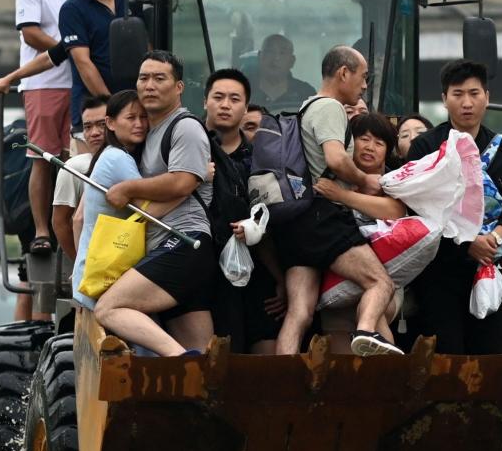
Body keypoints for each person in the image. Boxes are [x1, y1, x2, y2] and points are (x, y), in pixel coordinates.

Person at [271, 45, 399, 357]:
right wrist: (363, 180)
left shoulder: (305, 106)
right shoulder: (330, 107)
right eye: (363, 77)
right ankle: (367, 332)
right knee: (380, 283)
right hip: (323, 216)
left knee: (299, 313)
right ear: (344, 73)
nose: (365, 85)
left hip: (294, 220)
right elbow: (336, 159)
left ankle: (279, 377)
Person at [98, 51, 217, 357]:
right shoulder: (150, 133)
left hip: (183, 243)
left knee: (109, 308)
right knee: (203, 355)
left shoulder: (185, 127)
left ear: (179, 87)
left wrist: (128, 188)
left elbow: (181, 182)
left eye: (159, 78)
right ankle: (196, 384)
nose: (149, 85)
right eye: (143, 78)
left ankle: (181, 363)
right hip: (174, 248)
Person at [406, 59, 502, 355]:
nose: (467, 103)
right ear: (444, 99)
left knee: (492, 353)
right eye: (458, 94)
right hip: (441, 270)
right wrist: (466, 243)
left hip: (491, 266)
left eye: (474, 93)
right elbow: (418, 210)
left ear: (487, 97)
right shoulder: (426, 146)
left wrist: (495, 237)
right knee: (446, 354)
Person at [203, 69, 287, 355]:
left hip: (258, 273)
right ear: (205, 102)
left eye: (234, 99)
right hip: (206, 273)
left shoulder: (260, 161)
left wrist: (280, 279)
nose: (225, 104)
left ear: (246, 106)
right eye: (218, 97)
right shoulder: (191, 151)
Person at [15, 0, 84, 258]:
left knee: (78, 159)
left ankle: (74, 226)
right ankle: (42, 231)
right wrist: (70, 47)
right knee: (42, 158)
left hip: (81, 83)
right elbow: (30, 32)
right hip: (43, 83)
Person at [314, 112, 408, 354]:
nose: (370, 147)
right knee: (343, 372)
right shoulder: (333, 176)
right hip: (335, 287)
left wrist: (343, 196)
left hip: (384, 284)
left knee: (372, 314)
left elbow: (395, 211)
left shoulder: (394, 181)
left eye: (379, 142)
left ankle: (389, 384)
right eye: (364, 139)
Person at [70, 91, 152, 311]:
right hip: (103, 277)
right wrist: (189, 183)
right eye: (131, 118)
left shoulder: (110, 155)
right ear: (111, 124)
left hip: (95, 272)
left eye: (144, 117)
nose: (140, 124)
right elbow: (150, 210)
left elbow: (78, 220)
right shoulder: (117, 158)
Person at [58, 0, 129, 134]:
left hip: (132, 112)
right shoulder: (72, 9)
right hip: (93, 116)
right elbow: (83, 63)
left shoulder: (130, 0)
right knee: (90, 166)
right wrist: (114, 107)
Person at [52, 94, 108, 260]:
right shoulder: (73, 168)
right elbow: (60, 222)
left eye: (101, 125)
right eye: (87, 127)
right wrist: (80, 264)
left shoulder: (136, 159)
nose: (94, 133)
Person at [254, 34, 316, 112]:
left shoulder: (306, 93)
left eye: (282, 53)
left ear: (292, 61)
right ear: (260, 56)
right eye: (270, 51)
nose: (276, 58)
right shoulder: (244, 91)